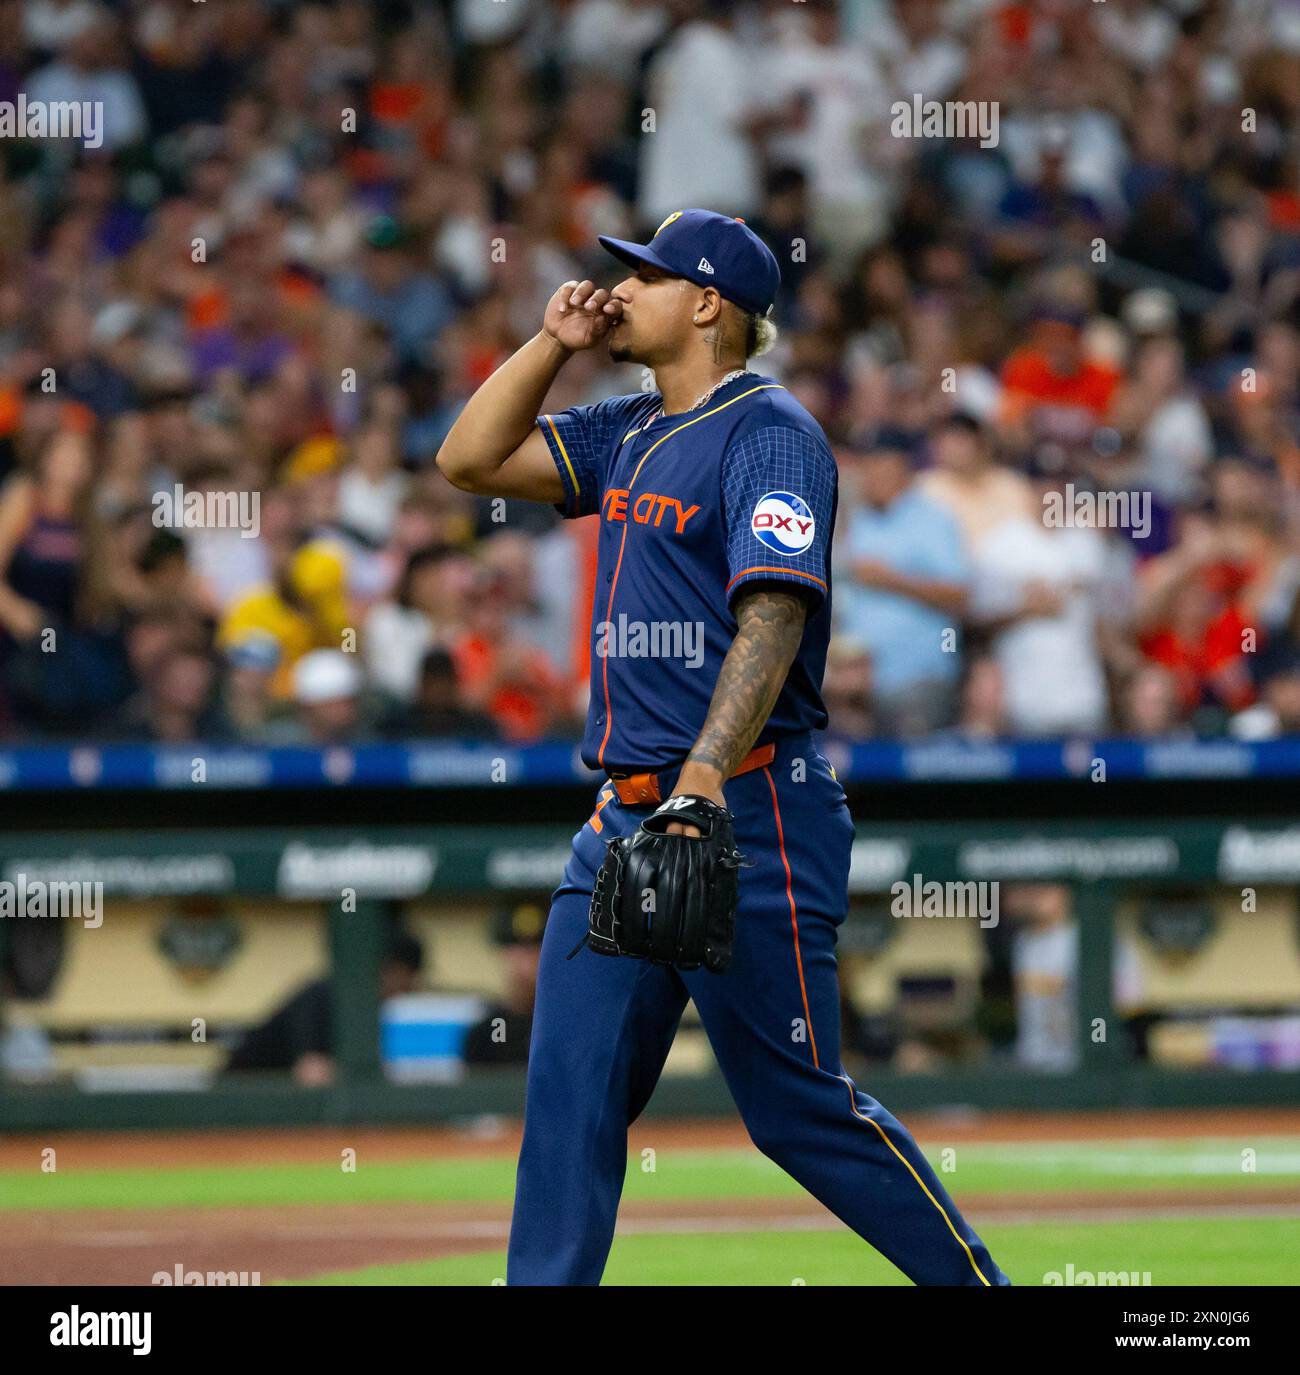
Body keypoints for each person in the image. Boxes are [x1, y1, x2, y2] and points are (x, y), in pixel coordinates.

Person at [437, 208, 1008, 1287]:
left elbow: (775, 612)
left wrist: (701, 778)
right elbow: (467, 460)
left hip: (749, 809)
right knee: (568, 1100)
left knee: (796, 1112)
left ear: (706, 304)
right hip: (622, 818)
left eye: (644, 276)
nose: (621, 290)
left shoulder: (769, 430)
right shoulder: (629, 426)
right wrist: (552, 342)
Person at [225, 933, 424, 1086]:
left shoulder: (373, 1010)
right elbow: (312, 1071)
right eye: (408, 977)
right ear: (389, 970)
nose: (409, 987)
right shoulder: (324, 994)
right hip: (240, 1089)